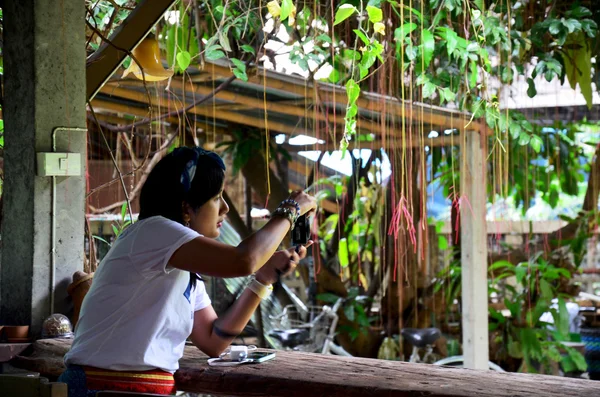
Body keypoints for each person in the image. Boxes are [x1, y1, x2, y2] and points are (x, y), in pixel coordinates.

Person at [58, 147, 316, 396]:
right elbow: (245, 260)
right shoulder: (154, 232)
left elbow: (214, 340)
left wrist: (264, 277)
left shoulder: (181, 263)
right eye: (217, 198)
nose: (225, 208)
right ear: (186, 208)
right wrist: (289, 211)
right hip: (100, 387)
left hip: (123, 388)